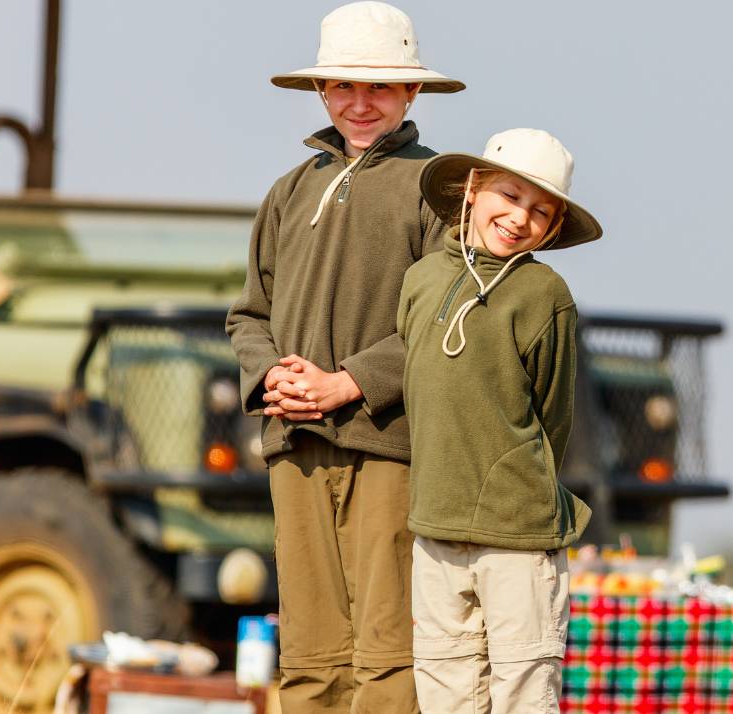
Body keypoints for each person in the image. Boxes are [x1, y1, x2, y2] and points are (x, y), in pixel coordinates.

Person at [224, 2, 461, 711]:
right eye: (344, 87)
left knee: (387, 652)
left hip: (386, 444)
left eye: (380, 87)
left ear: (411, 92)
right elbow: (248, 313)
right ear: (321, 92)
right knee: (309, 654)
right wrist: (275, 378)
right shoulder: (288, 191)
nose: (360, 103)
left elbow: (443, 320)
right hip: (294, 441)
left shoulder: (440, 189)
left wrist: (346, 383)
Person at [397, 129, 602, 713]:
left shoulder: (544, 293)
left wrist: (518, 483)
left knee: (523, 689)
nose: (519, 218)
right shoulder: (421, 280)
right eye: (509, 197)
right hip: (436, 521)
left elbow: (552, 415)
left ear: (554, 227)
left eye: (540, 212)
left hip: (518, 530)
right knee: (444, 686)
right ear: (473, 189)